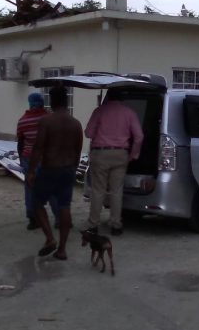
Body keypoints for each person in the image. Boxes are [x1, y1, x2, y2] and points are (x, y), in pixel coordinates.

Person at [26, 86, 83, 260]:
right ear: (67, 102)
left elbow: (38, 148)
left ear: (51, 101)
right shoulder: (76, 124)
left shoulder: (47, 121)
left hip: (50, 169)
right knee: (64, 206)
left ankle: (50, 238)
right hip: (68, 170)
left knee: (36, 203)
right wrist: (73, 169)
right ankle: (62, 249)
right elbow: (78, 151)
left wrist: (31, 171)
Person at [84, 91, 144, 236]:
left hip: (101, 153)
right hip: (121, 154)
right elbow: (139, 137)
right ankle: (116, 224)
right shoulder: (129, 113)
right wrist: (133, 154)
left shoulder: (99, 111)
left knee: (98, 190)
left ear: (108, 97)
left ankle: (93, 224)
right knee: (116, 190)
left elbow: (88, 133)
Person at [16, 92, 60, 230]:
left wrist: (23, 160)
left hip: (29, 158)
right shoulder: (50, 118)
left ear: (30, 103)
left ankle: (33, 219)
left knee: (30, 189)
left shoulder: (22, 121)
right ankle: (59, 219)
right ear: (42, 102)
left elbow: (21, 143)